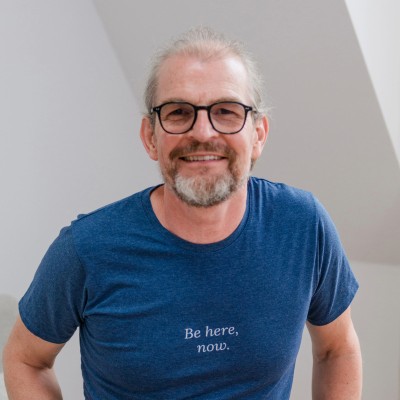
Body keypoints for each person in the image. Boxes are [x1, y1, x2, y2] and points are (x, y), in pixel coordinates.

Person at [2, 27, 362, 399]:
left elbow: (337, 348)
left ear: (258, 134)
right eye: (178, 112)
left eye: (226, 111)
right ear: (150, 137)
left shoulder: (303, 226)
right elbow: (25, 359)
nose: (203, 132)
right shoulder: (87, 248)